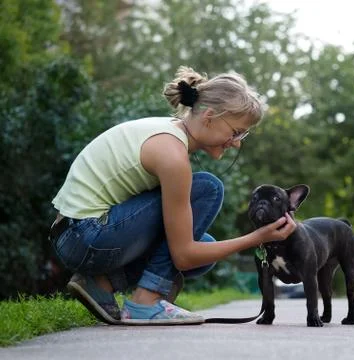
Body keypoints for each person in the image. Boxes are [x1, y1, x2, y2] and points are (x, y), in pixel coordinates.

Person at [49, 66, 296, 325]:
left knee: (207, 245)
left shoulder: (168, 132)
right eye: (235, 132)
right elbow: (183, 256)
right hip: (84, 236)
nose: (236, 142)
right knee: (208, 189)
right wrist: (258, 238)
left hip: (74, 234)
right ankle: (147, 300)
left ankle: (100, 283)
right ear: (210, 117)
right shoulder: (172, 154)